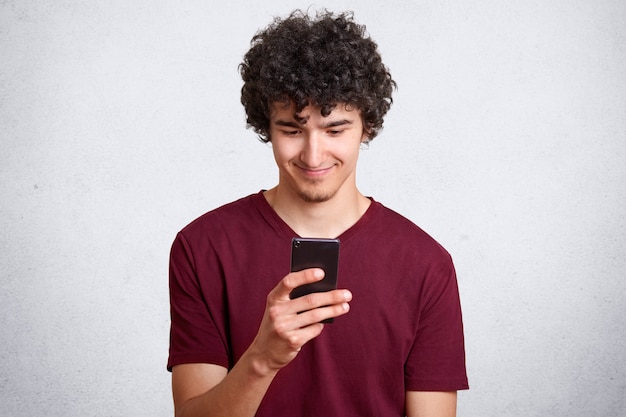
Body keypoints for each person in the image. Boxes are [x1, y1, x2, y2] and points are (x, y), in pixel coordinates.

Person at [167, 9, 468, 417]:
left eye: (335, 130)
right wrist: (263, 359)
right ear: (266, 127)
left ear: (367, 127)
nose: (312, 155)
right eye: (291, 130)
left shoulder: (426, 265)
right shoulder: (202, 248)